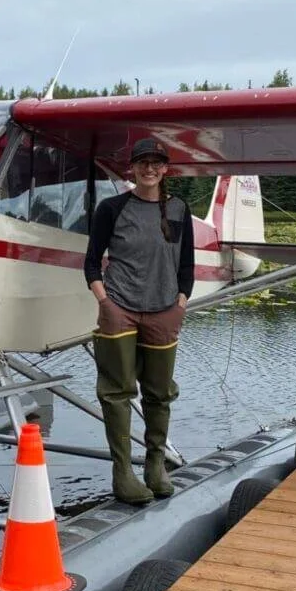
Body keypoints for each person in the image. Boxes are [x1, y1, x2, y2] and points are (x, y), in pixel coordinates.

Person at [83, 137, 195, 505]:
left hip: (165, 309)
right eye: (142, 163)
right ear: (132, 168)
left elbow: (186, 265)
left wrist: (180, 301)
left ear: (166, 170)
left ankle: (155, 466)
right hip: (120, 308)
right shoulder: (112, 208)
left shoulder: (179, 208)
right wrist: (106, 302)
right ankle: (123, 474)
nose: (149, 169)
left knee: (159, 393)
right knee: (116, 393)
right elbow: (91, 261)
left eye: (157, 163)